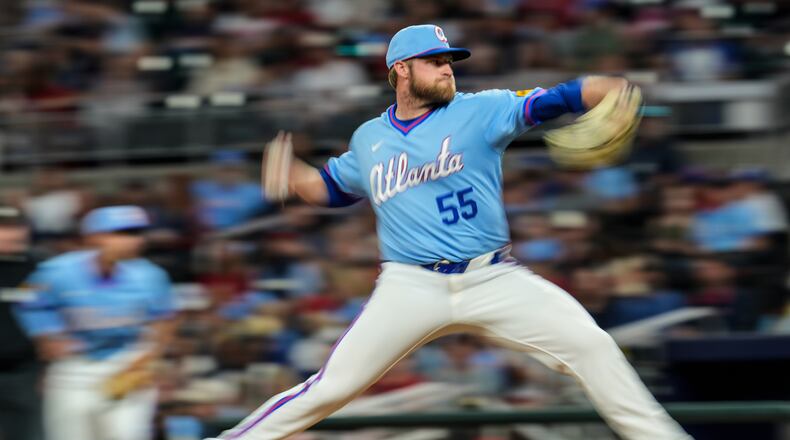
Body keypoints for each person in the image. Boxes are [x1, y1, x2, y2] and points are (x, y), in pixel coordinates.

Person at [209, 25, 691, 440]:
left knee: (593, 346)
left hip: (493, 278)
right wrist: (295, 175)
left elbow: (555, 99)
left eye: (449, 61)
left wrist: (606, 88)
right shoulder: (369, 138)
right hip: (410, 285)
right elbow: (334, 188)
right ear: (400, 69)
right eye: (434, 61)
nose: (447, 69)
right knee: (331, 388)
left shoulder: (481, 110)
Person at [15, 205, 175, 440]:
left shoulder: (151, 275)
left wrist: (149, 357)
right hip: (74, 365)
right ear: (94, 237)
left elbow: (165, 318)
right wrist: (47, 335)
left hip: (126, 360)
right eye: (122, 233)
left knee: (125, 434)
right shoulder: (56, 271)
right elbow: (29, 302)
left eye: (137, 233)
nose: (133, 240)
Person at [0, 207, 43, 440]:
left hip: (26, 371)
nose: (10, 234)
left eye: (16, 226)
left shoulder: (42, 268)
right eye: (4, 227)